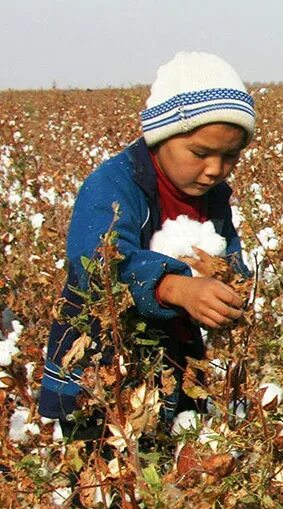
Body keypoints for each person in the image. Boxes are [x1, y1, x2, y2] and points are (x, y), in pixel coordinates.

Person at [39, 52, 254, 425]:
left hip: (174, 357)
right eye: (201, 153)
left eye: (230, 156)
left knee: (174, 460)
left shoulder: (214, 197)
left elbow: (230, 255)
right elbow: (98, 263)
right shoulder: (114, 184)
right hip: (102, 366)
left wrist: (229, 281)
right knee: (106, 470)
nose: (215, 169)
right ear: (161, 137)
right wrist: (176, 287)